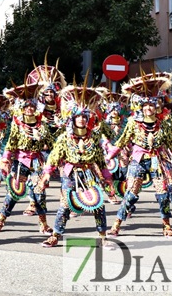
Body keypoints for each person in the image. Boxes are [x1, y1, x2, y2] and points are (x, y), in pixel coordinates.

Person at [106, 72, 172, 237]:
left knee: (163, 195)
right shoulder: (134, 122)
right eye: (145, 105)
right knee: (131, 194)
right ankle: (116, 224)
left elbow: (171, 143)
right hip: (139, 161)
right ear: (141, 106)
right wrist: (109, 156)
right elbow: (122, 140)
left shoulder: (165, 122)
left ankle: (166, 226)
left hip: (159, 160)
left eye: (151, 105)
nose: (148, 108)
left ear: (157, 106)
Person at [38, 85, 114, 248]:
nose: (81, 119)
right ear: (72, 118)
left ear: (88, 118)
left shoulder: (93, 137)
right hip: (70, 174)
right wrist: (46, 175)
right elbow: (53, 157)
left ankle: (103, 236)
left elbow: (100, 160)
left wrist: (107, 178)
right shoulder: (65, 137)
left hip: (89, 173)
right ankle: (55, 235)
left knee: (98, 205)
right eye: (78, 116)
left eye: (84, 116)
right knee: (65, 206)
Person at [0, 82, 56, 235]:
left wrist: (52, 162)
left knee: (39, 194)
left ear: (36, 107)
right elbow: (11, 142)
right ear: (22, 107)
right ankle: (0, 220)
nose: (29, 109)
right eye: (26, 106)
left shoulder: (42, 125)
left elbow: (51, 145)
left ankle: (44, 225)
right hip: (20, 162)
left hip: (37, 162)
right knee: (14, 193)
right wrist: (5, 160)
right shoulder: (17, 124)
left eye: (32, 106)